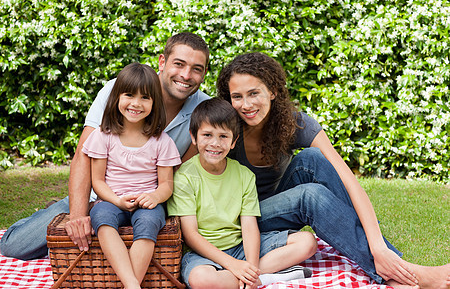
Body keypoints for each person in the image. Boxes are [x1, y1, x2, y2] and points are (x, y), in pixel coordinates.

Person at [216, 52, 450, 289]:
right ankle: (404, 274)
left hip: (279, 209)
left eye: (254, 93)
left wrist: (378, 244)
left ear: (273, 91)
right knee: (309, 195)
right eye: (237, 96)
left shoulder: (293, 123)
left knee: (313, 158)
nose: (246, 105)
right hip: (243, 219)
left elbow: (349, 181)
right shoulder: (225, 129)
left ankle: (389, 262)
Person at [0, 32, 210, 260]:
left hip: (151, 202)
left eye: (196, 68)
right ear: (162, 62)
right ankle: (54, 211)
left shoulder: (204, 109)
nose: (186, 75)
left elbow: (182, 172)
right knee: (15, 246)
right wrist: (78, 215)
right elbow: (83, 155)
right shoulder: (118, 90)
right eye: (179, 64)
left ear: (204, 73)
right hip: (100, 196)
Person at [167, 98, 317, 289]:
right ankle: (267, 277)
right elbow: (191, 235)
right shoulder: (184, 177)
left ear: (233, 141)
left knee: (307, 242)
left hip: (240, 247)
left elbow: (249, 226)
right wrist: (233, 266)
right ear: (194, 137)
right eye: (207, 135)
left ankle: (252, 278)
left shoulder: (244, 175)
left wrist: (251, 266)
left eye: (223, 136)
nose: (215, 143)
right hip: (203, 255)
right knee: (202, 280)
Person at [82, 62, 181, 288]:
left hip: (147, 202)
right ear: (116, 98)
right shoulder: (103, 135)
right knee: (102, 220)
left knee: (148, 224)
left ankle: (130, 285)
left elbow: (166, 184)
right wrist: (116, 200)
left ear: (154, 103)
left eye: (145, 98)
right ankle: (132, 284)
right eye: (129, 95)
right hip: (111, 199)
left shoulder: (161, 141)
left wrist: (155, 197)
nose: (136, 104)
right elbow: (97, 181)